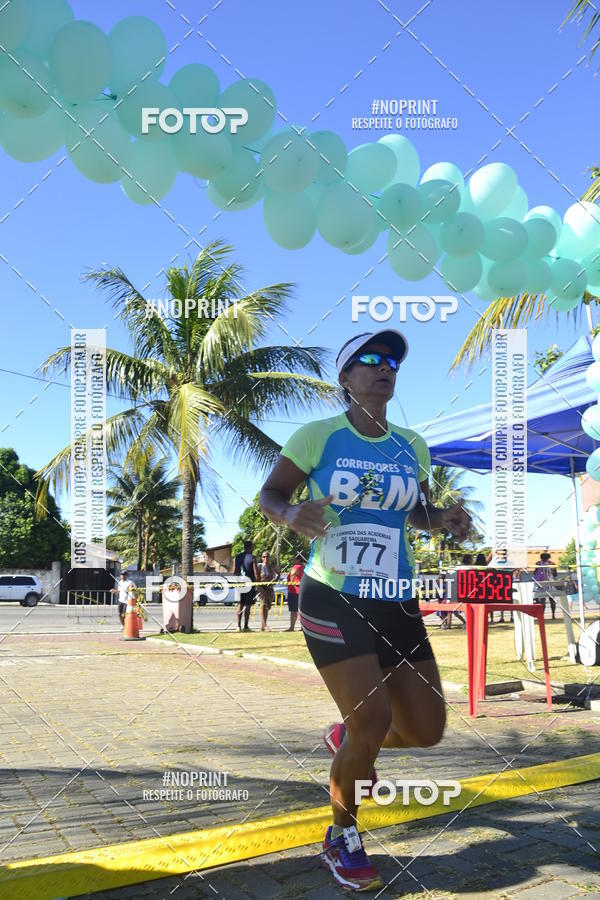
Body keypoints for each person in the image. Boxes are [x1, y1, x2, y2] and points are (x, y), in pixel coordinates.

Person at [259, 329, 471, 892]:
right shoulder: (317, 436)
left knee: (426, 730)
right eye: (370, 361)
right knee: (372, 722)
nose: (384, 369)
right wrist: (290, 515)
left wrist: (443, 520)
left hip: (397, 599)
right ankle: (342, 835)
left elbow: (411, 515)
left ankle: (347, 739)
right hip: (334, 597)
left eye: (391, 363)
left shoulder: (412, 445)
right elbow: (271, 494)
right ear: (346, 378)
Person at [234, 540, 259, 631]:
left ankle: (238, 626)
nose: (253, 548)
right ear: (250, 547)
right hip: (249, 584)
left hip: (240, 583)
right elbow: (256, 572)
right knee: (248, 605)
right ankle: (246, 626)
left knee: (240, 604)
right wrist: (258, 584)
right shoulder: (253, 558)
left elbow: (235, 572)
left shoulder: (237, 557)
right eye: (253, 546)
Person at [258, 551, 279, 632]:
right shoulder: (259, 566)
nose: (266, 558)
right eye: (264, 557)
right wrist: (259, 588)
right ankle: (264, 625)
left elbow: (278, 574)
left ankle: (263, 625)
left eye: (267, 557)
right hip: (262, 588)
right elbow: (257, 577)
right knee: (263, 605)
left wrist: (274, 582)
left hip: (270, 589)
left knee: (267, 607)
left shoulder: (271, 566)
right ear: (262, 558)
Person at [533, 552, 558, 619]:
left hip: (542, 583)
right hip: (550, 583)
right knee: (551, 600)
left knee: (542, 601)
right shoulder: (552, 564)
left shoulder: (538, 564)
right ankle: (553, 615)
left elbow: (535, 573)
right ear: (549, 557)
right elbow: (555, 574)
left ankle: (542, 616)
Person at [286, 554, 305, 631]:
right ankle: (302, 627)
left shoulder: (296, 566)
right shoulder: (304, 566)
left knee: (293, 611)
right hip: (301, 591)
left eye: (294, 559)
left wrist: (291, 581)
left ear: (298, 560)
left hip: (294, 591)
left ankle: (291, 627)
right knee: (301, 611)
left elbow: (292, 575)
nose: (293, 560)